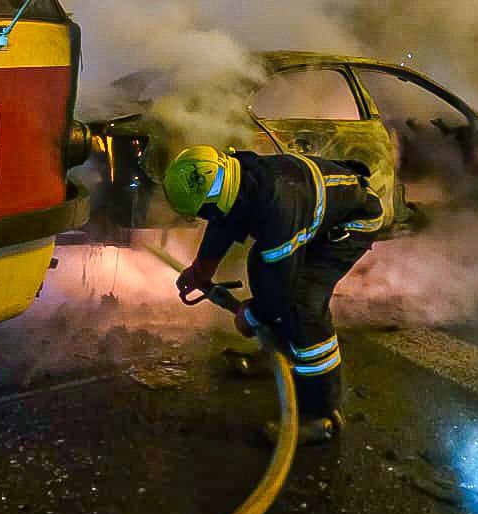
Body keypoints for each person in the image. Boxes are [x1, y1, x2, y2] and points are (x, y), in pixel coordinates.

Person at [163, 145, 384, 443]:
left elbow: (281, 292)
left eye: (202, 212)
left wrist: (252, 316)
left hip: (352, 224)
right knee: (261, 263)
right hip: (317, 216)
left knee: (303, 305)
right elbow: (224, 220)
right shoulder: (237, 178)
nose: (203, 218)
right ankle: (279, 352)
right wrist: (202, 269)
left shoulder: (278, 209)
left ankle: (322, 415)